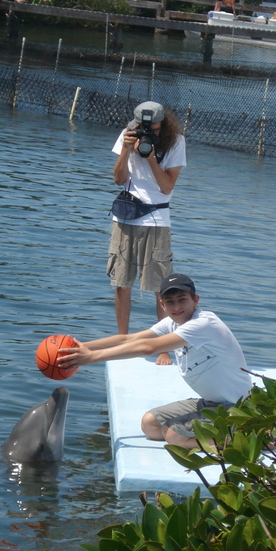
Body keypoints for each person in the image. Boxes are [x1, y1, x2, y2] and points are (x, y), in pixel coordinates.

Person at [56, 274, 252, 449]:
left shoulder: (203, 323)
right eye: (170, 302)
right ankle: (220, 434)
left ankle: (246, 437)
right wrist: (83, 346)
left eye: (182, 300)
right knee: (150, 424)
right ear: (162, 305)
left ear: (195, 300)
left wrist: (91, 358)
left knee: (175, 436)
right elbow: (129, 339)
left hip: (236, 406)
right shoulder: (172, 322)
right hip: (211, 403)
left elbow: (149, 347)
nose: (176, 307)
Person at [111, 101, 186, 365]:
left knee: (159, 288)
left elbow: (166, 187)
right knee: (121, 284)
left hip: (156, 219)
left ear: (163, 122)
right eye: (142, 125)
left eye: (151, 125)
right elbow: (119, 179)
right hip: (125, 217)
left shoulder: (175, 142)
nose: (146, 130)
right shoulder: (127, 134)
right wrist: (125, 151)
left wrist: (151, 157)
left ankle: (162, 349)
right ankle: (122, 343)